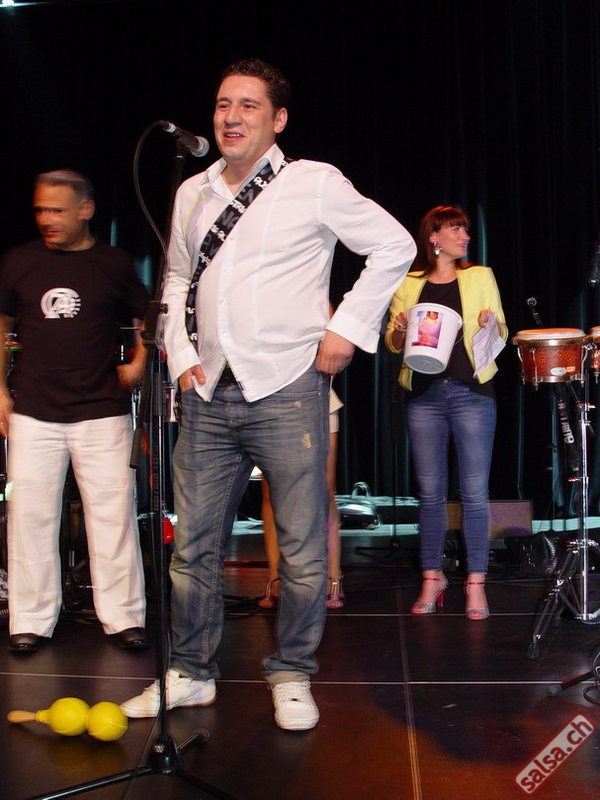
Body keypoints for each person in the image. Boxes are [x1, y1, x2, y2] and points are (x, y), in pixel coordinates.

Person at [120, 58, 416, 730]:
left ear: (278, 119)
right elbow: (176, 280)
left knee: (304, 550)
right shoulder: (192, 191)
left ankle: (291, 672)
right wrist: (182, 356)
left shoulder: (313, 183)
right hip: (207, 392)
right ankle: (190, 672)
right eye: (223, 104)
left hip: (287, 387)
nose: (231, 116)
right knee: (192, 547)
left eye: (248, 105)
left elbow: (394, 246)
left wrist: (346, 328)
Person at [0, 170, 149, 654]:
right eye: (41, 209)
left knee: (113, 516)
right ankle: (30, 620)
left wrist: (139, 365)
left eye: (57, 210)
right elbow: (1, 327)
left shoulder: (113, 262)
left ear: (86, 210)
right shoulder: (18, 261)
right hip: (33, 410)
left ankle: (123, 618)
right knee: (29, 516)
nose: (47, 219)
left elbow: (148, 316)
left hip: (101, 410)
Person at [385, 205, 507, 620]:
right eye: (457, 230)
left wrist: (490, 324)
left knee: (474, 493)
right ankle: (432, 576)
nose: (465, 236)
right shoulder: (408, 283)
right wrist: (399, 329)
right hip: (424, 395)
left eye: (466, 230)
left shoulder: (480, 276)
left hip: (472, 392)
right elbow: (392, 342)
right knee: (430, 493)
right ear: (434, 237)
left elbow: (501, 332)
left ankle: (476, 582)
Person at [258, 386, 344, 610]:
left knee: (325, 489)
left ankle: (333, 574)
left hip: (315, 399)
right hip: (268, 403)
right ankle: (275, 575)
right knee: (270, 492)